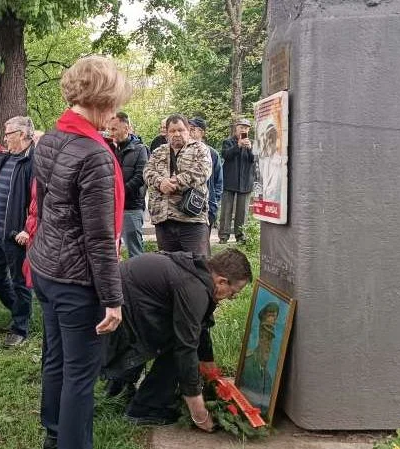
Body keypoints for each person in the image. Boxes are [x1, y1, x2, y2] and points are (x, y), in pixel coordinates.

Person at [28, 56, 130, 449]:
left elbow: (46, 206)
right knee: (80, 375)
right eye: (113, 103)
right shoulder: (95, 154)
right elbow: (100, 238)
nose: (115, 113)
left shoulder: (51, 137)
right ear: (101, 99)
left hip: (47, 268)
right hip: (76, 280)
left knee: (55, 358)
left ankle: (53, 435)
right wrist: (113, 299)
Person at [101, 249, 252, 429]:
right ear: (221, 281)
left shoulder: (197, 270)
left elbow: (198, 324)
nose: (232, 297)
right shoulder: (195, 290)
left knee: (179, 334)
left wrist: (209, 364)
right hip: (112, 323)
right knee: (181, 346)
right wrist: (200, 414)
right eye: (233, 293)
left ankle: (118, 386)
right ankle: (145, 408)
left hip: (119, 309)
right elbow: (186, 348)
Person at [0, 116, 35, 347]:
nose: (5, 138)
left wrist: (27, 229)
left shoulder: (33, 162)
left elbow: (39, 200)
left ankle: (20, 328)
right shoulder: (8, 158)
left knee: (19, 281)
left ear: (23, 135)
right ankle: (19, 311)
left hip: (17, 234)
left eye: (9, 134)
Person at [144, 114, 212, 255]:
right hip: (163, 220)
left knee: (199, 267)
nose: (177, 134)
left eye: (181, 130)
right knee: (168, 269)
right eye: (172, 131)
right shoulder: (158, 151)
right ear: (167, 133)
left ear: (188, 130)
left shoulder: (200, 149)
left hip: (192, 220)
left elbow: (203, 171)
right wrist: (160, 182)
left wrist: (175, 182)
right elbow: (147, 171)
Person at [107, 111, 147, 258]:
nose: (111, 133)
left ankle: (140, 280)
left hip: (131, 208)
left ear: (126, 128)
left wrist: (120, 192)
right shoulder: (109, 149)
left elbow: (140, 177)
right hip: (112, 208)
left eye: (114, 129)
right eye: (109, 129)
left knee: (135, 251)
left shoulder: (140, 149)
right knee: (111, 252)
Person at [188, 117, 223, 253]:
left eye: (192, 130)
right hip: (186, 208)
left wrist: (213, 204)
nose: (189, 133)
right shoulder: (183, 151)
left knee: (202, 249)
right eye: (188, 129)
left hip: (206, 207)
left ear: (201, 132)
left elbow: (219, 182)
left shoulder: (212, 154)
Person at [219, 118, 256, 244]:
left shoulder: (252, 143)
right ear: (236, 128)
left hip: (245, 182)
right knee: (226, 211)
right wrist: (238, 146)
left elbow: (254, 160)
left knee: (242, 212)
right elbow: (225, 155)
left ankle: (241, 237)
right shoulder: (228, 142)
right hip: (230, 181)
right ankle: (223, 236)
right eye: (241, 127)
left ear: (249, 130)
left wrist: (250, 149)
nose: (243, 129)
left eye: (246, 128)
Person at [240, 301, 279, 412]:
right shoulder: (247, 365)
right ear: (260, 337)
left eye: (270, 341)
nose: (268, 345)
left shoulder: (268, 377)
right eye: (264, 338)